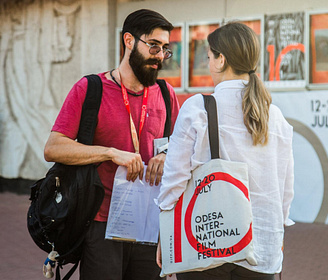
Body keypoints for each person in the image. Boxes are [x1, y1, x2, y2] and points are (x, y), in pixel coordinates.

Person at [44, 9, 180, 280]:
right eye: (153, 45)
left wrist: (167, 155)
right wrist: (109, 153)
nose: (160, 55)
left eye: (165, 49)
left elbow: (181, 146)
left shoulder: (166, 93)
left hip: (150, 225)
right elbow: (53, 148)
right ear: (129, 41)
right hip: (101, 224)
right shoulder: (89, 88)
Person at [156, 22, 294, 280]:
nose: (208, 64)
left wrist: (167, 233)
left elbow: (175, 178)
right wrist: (278, 233)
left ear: (221, 60)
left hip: (204, 242)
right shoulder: (275, 116)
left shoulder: (198, 107)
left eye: (209, 57)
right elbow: (285, 188)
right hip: (262, 246)